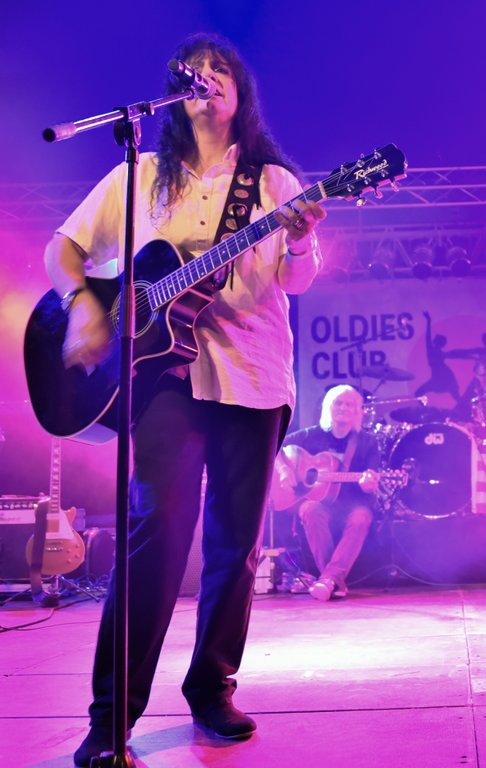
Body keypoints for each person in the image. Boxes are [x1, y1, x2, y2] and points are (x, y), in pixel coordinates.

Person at [48, 34, 326, 766]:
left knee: (235, 548)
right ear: (175, 95)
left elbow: (296, 281)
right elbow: (63, 248)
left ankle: (212, 688)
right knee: (153, 537)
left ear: (240, 89)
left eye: (219, 69)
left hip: (253, 378)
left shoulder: (273, 183)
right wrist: (82, 304)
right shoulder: (140, 176)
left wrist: (300, 241)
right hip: (167, 382)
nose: (206, 79)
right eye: (193, 73)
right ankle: (111, 719)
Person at [279, 384, 380, 601]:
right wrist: (285, 470)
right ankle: (333, 581)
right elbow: (275, 446)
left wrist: (368, 483)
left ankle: (328, 580)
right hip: (321, 504)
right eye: (338, 403)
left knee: (360, 518)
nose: (343, 408)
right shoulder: (310, 436)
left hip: (353, 504)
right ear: (328, 407)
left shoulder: (367, 442)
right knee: (310, 509)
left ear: (358, 411)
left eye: (350, 404)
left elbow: (372, 477)